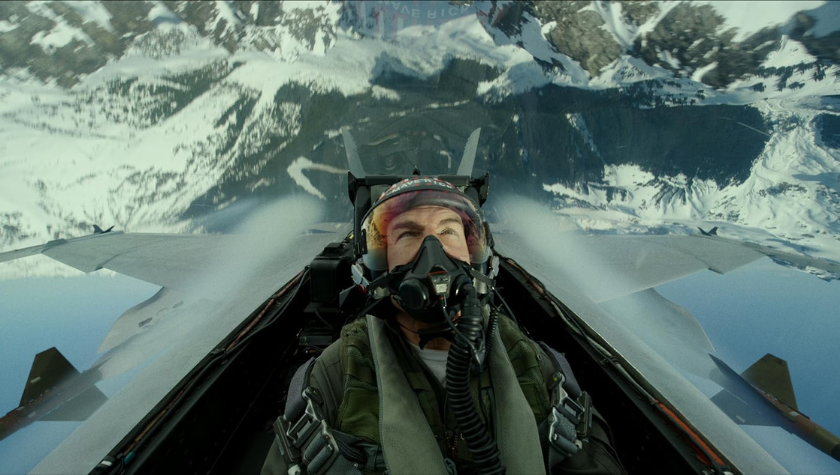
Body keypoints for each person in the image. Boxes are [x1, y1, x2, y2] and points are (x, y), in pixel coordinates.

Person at [262, 177, 624, 475]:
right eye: (408, 234)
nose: (433, 252)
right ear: (377, 265)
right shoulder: (336, 374)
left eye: (449, 231)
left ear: (475, 254)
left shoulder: (533, 366)